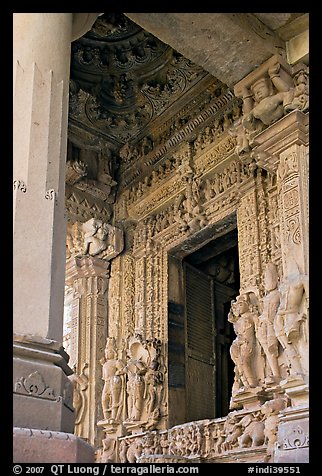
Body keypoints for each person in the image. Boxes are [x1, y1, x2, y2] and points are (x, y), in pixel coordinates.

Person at [256, 262, 281, 383]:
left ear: (277, 279)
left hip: (271, 325)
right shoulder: (266, 297)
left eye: (269, 278)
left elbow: (272, 313)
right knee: (266, 350)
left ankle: (278, 373)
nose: (266, 282)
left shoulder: (277, 294)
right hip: (263, 326)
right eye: (265, 279)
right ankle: (273, 372)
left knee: (271, 349)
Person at [228, 293, 258, 390]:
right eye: (237, 306)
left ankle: (252, 383)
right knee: (239, 363)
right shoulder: (237, 321)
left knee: (245, 361)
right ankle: (245, 384)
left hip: (247, 342)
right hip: (239, 343)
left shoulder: (252, 316)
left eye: (241, 304)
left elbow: (259, 328)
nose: (239, 308)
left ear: (247, 304)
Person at [101, 337, 126, 422]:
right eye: (106, 352)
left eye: (110, 352)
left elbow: (124, 370)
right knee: (104, 399)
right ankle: (106, 417)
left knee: (115, 399)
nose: (107, 354)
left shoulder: (116, 362)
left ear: (114, 353)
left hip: (114, 382)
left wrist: (118, 373)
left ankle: (114, 417)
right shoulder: (105, 364)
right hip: (106, 382)